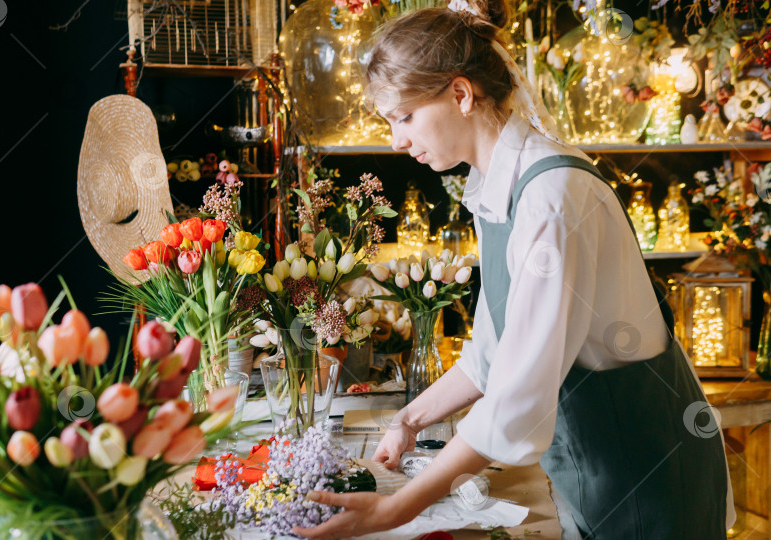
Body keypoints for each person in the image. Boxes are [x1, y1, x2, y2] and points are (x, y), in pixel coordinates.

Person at [293, 1, 734, 538]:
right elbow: (492, 355)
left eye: (404, 117)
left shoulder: (550, 198)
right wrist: (409, 419)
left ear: (460, 94)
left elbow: (516, 395)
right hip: (598, 478)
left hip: (650, 485)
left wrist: (399, 507)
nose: (397, 141)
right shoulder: (501, 187)